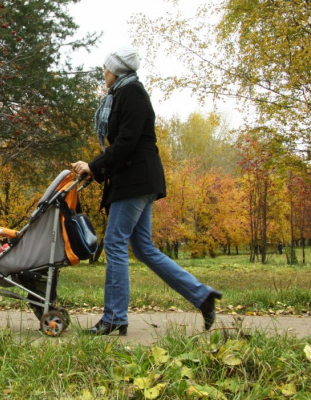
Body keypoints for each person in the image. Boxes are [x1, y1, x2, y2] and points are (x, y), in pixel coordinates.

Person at [71, 45, 222, 336]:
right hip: (136, 179)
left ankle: (114, 317)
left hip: (135, 180)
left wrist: (94, 165)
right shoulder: (123, 94)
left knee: (114, 243)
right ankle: (202, 296)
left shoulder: (132, 93)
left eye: (106, 68)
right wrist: (98, 166)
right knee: (143, 247)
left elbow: (126, 142)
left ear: (116, 71)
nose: (104, 73)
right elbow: (123, 143)